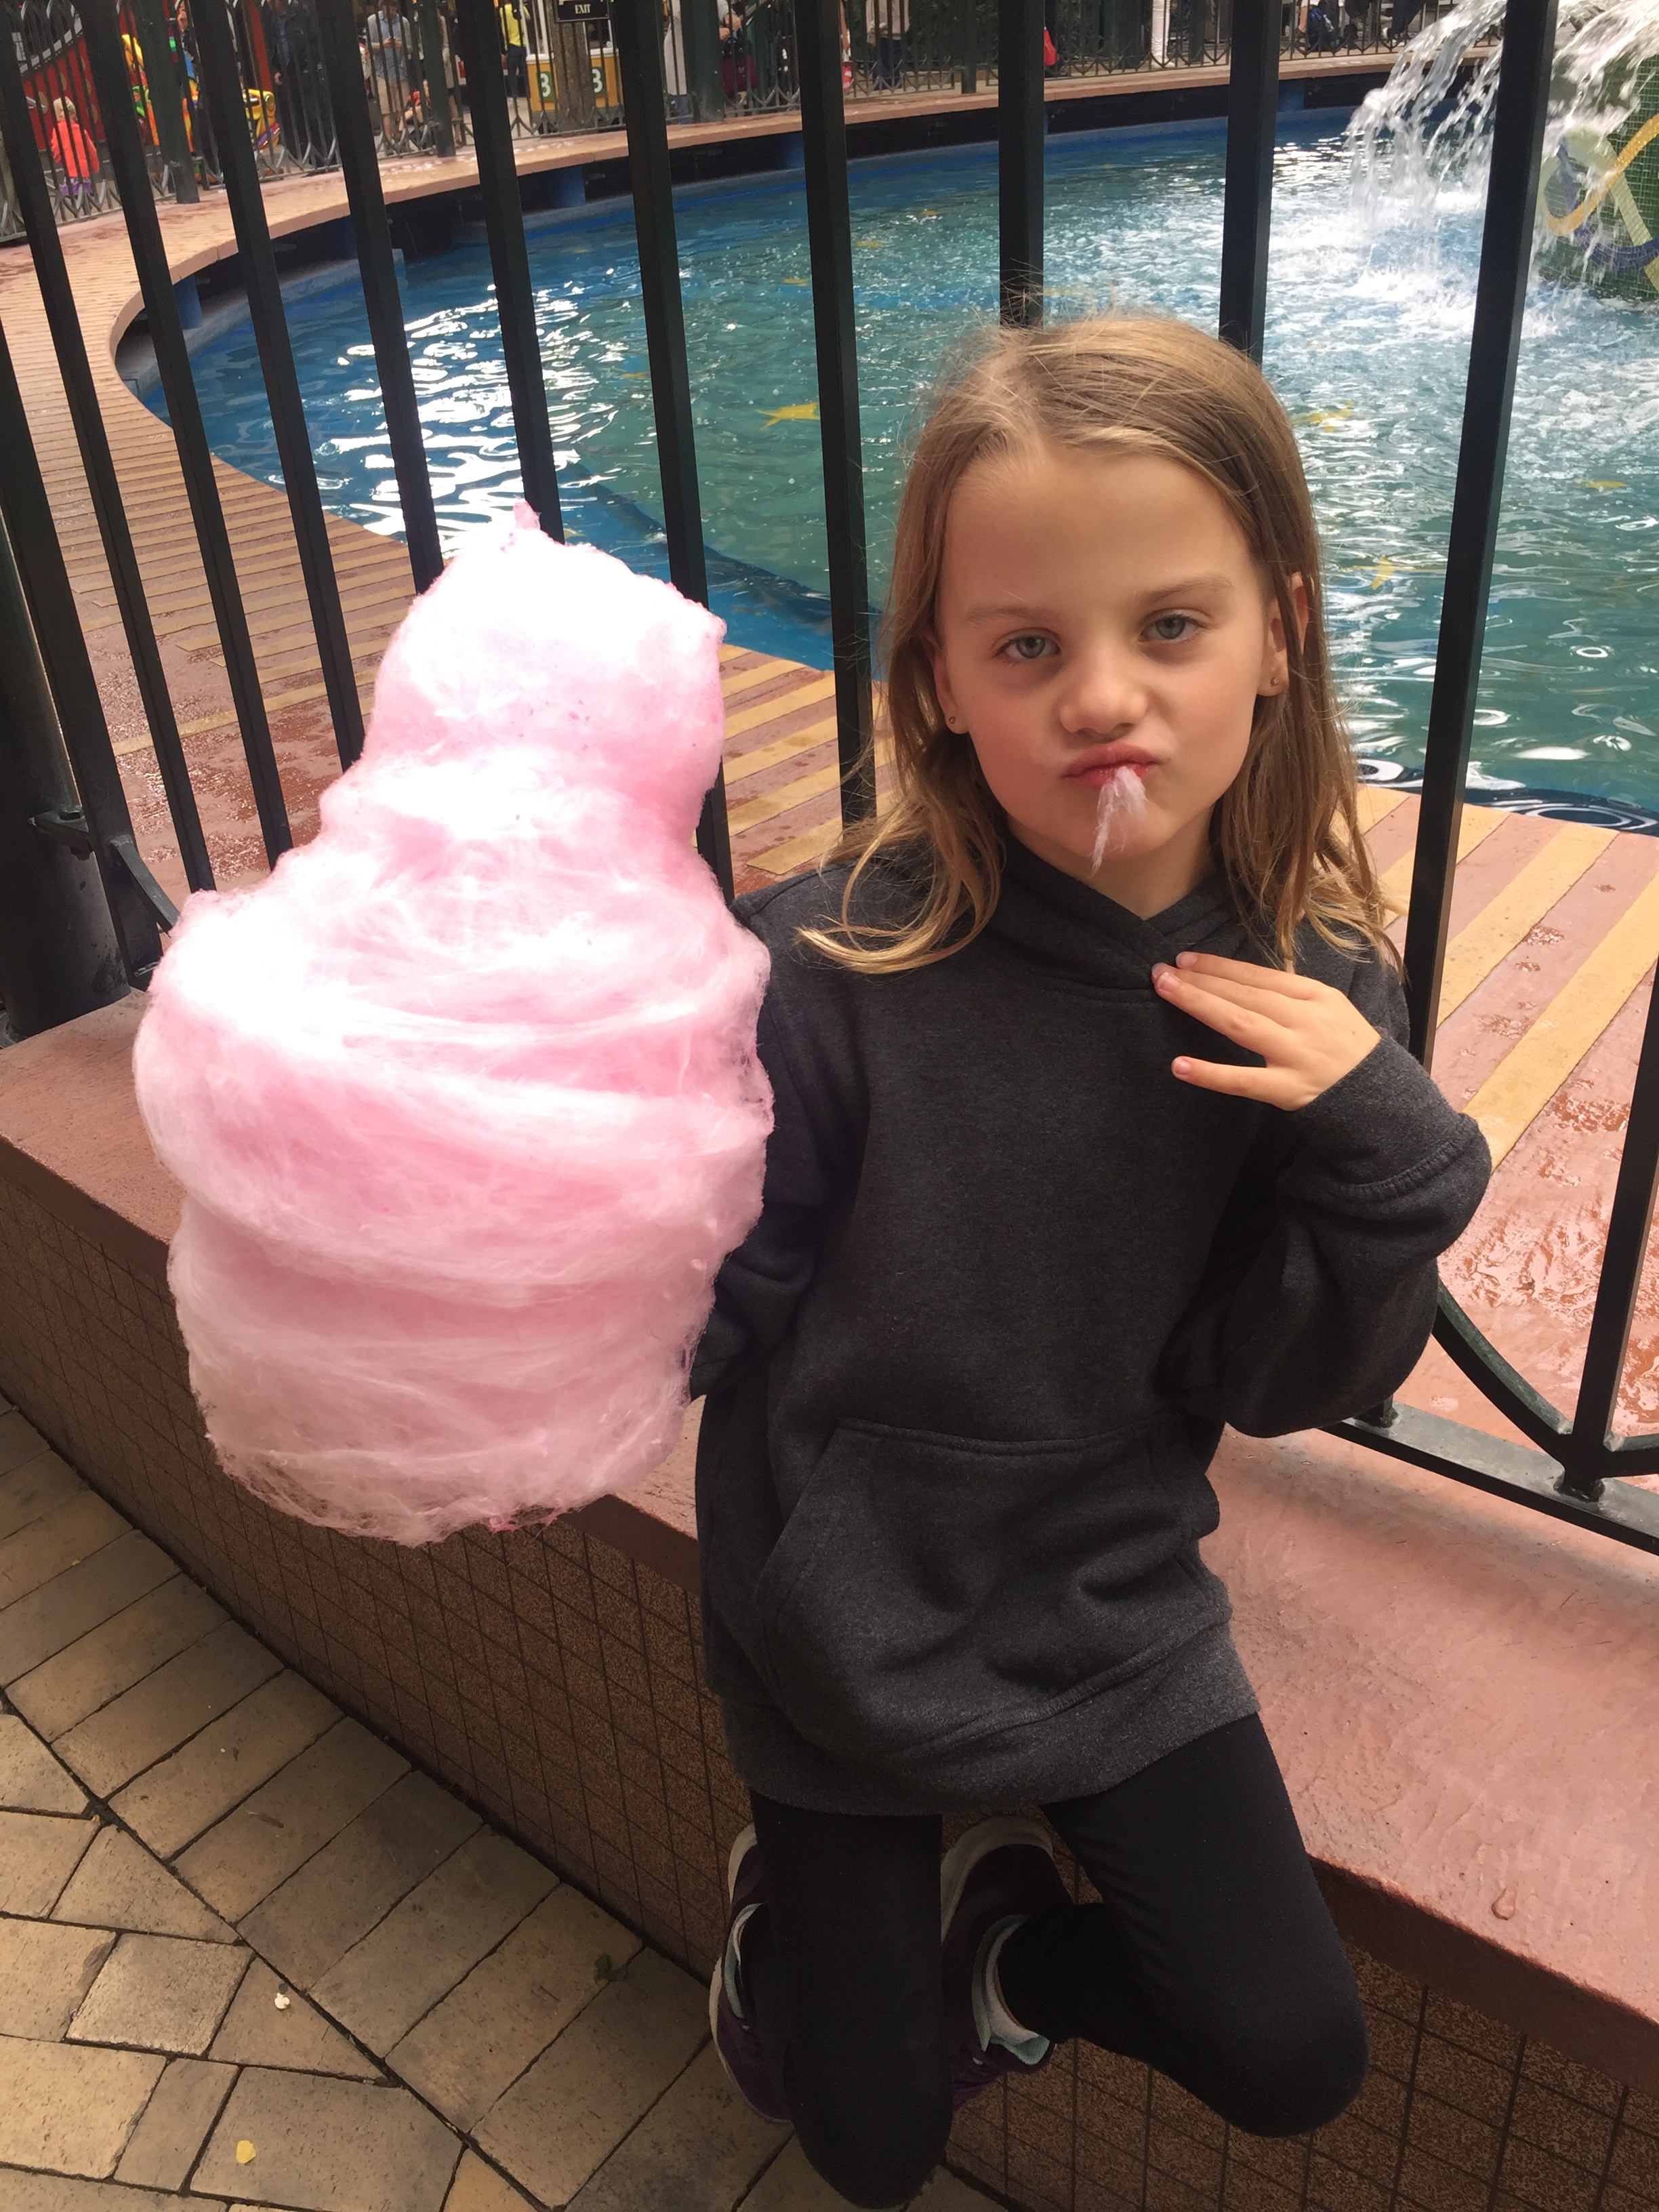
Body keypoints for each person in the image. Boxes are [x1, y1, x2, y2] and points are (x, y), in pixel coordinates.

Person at [693, 314, 1491, 2211]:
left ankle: (1007, 1958)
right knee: (868, 2146)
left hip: (1101, 1581)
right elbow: (722, 1308)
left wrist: (1387, 1157)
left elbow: (1265, 1386)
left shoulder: (1315, 996)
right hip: (836, 1600)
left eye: (1171, 625)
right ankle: (790, 1936)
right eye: (1026, 645)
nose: (1102, 697)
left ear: (1277, 635)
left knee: (1288, 2051)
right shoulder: (831, 969)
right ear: (939, 679)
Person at [48, 96, 100, 196]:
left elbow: (56, 148)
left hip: (71, 171)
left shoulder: (59, 130)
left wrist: (60, 160)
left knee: (71, 196)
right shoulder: (81, 130)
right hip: (85, 172)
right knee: (86, 197)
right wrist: (95, 167)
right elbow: (92, 150)